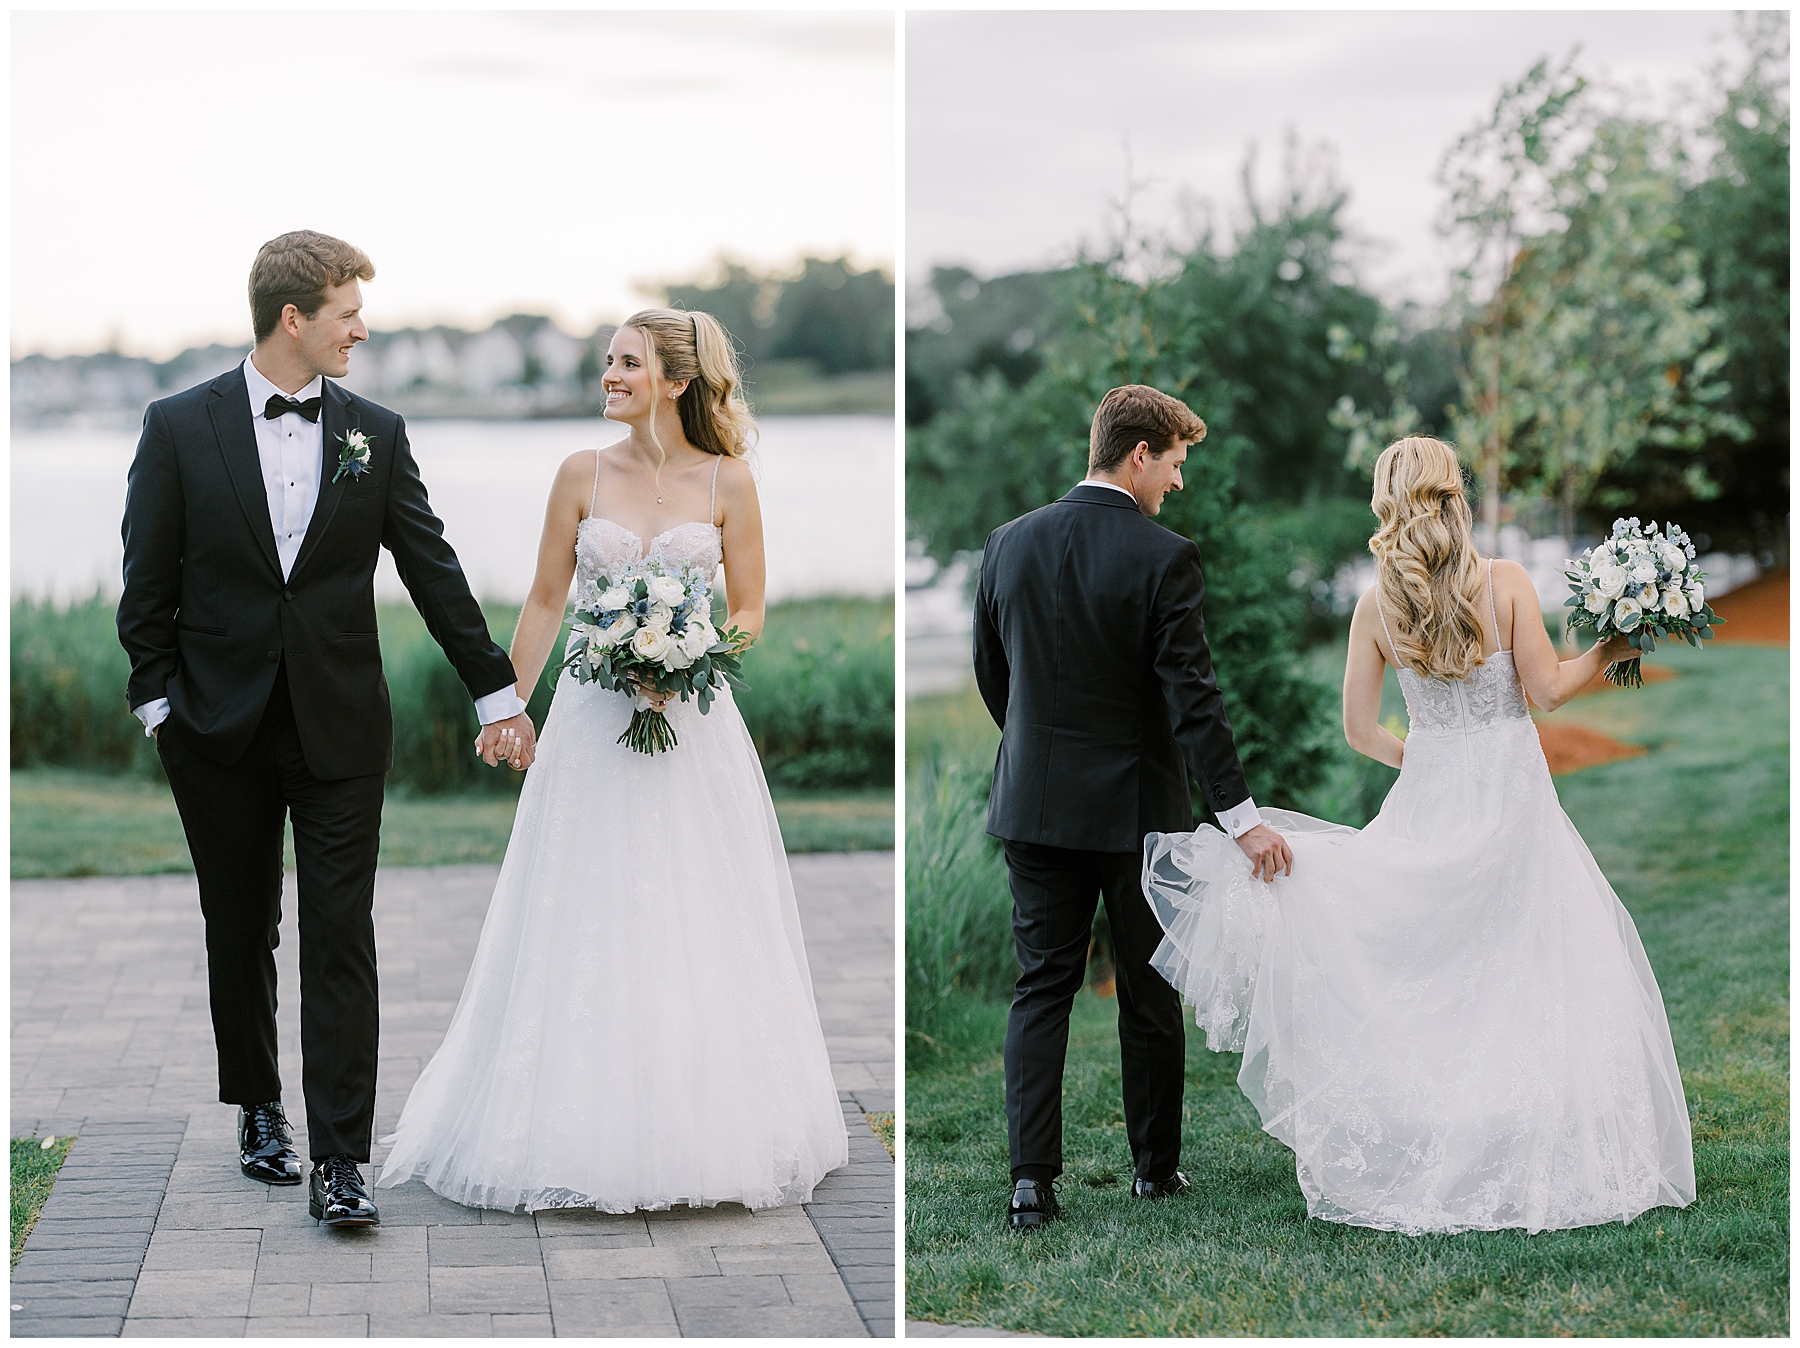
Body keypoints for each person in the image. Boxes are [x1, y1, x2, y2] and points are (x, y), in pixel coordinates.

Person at [1146, 435, 1696, 1235]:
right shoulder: (1503, 582)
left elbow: (1358, 729)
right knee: (1523, 952)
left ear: (1388, 503)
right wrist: (1615, 643)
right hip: (1511, 789)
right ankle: (1525, 1122)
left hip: (1434, 785)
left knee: (1433, 952)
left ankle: (1448, 1123)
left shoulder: (1375, 604)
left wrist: (1427, 759)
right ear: (1453, 495)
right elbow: (1548, 691)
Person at [376, 308, 848, 1213]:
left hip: (694, 725)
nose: (610, 377)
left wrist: (694, 657)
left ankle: (702, 1123)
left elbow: (748, 605)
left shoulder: (730, 481)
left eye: (627, 364)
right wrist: (507, 703)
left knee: (693, 905)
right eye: (607, 363)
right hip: (593, 722)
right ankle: (566, 1121)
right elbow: (550, 599)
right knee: (581, 902)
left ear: (676, 381)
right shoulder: (579, 473)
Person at [116, 231, 535, 1229]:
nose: (363, 329)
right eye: (349, 312)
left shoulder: (375, 434)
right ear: (294, 317)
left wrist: (498, 694)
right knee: (241, 922)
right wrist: (158, 706)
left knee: (340, 934)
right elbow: (148, 582)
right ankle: (259, 1108)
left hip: (343, 728)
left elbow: (433, 571)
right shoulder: (177, 425)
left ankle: (341, 1159)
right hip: (214, 728)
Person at [971, 384, 1293, 1233]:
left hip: (1034, 806)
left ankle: (1030, 1186)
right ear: (1140, 454)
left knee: (1041, 988)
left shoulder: (1008, 544)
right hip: (1137, 815)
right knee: (1149, 990)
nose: (1177, 485)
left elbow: (994, 678)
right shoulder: (1164, 557)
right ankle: (1155, 1172)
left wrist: (1042, 755)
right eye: (1176, 464)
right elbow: (1196, 702)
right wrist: (1242, 817)